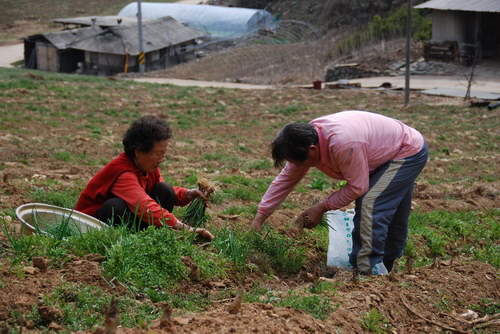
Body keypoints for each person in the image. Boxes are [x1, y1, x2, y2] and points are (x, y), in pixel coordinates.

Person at [251, 110, 428, 273]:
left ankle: (363, 271)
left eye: (298, 162)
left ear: (312, 150)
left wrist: (321, 208)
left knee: (370, 203)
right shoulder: (307, 139)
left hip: (406, 151)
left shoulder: (343, 143)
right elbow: (286, 179)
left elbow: (357, 187)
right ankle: (389, 268)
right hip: (389, 151)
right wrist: (261, 217)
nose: (296, 167)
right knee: (390, 210)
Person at [75, 115, 214, 239]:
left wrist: (186, 194)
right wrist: (184, 228)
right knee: (115, 206)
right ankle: (121, 241)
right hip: (89, 226)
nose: (161, 159)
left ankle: (144, 237)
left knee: (165, 190)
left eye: (163, 153)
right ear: (138, 152)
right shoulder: (122, 173)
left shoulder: (147, 167)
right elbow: (144, 206)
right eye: (158, 153)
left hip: (131, 218)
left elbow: (152, 195)